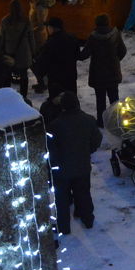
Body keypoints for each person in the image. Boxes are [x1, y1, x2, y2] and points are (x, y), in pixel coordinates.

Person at [47, 93, 102, 234]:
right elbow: (96, 139)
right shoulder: (88, 120)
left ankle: (64, 227)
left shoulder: (54, 125)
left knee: (62, 200)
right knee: (83, 193)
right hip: (82, 165)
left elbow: (50, 148)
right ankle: (87, 219)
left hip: (61, 169)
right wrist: (87, 151)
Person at [79, 14, 126, 125]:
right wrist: (115, 60)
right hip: (113, 71)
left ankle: (101, 121)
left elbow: (84, 55)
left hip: (98, 73)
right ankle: (116, 120)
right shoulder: (116, 34)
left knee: (100, 99)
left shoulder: (93, 37)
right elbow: (123, 51)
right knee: (114, 97)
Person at [36, 17, 83, 100]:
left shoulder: (50, 43)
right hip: (70, 77)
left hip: (56, 80)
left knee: (56, 103)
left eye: (48, 27)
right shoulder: (72, 38)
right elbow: (78, 55)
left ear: (52, 28)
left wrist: (41, 74)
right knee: (71, 101)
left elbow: (43, 61)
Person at [0, 0, 36, 98]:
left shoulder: (5, 21)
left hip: (9, 51)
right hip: (24, 53)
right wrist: (33, 52)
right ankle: (23, 96)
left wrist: (1, 50)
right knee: (24, 75)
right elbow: (31, 38)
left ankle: (6, 94)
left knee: (7, 74)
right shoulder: (26, 21)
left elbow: (1, 37)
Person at [28, 0, 56, 92]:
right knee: (37, 60)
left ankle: (42, 82)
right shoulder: (36, 4)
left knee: (35, 61)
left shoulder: (40, 7)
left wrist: (30, 31)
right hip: (38, 35)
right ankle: (42, 81)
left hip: (38, 37)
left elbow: (40, 25)